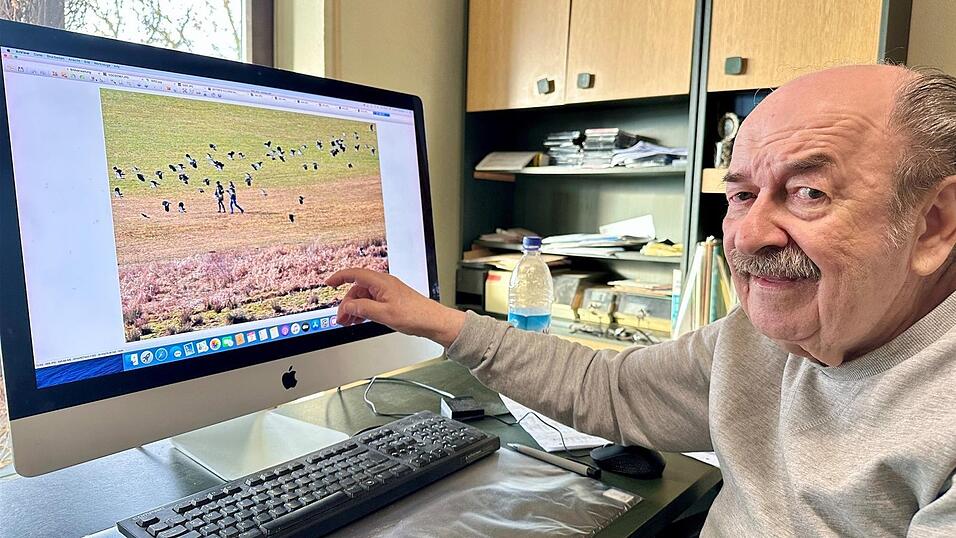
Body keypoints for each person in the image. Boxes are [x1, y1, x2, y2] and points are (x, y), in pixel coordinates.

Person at [327, 65, 956, 535]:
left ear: (934, 224)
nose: (750, 234)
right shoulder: (762, 338)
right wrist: (440, 321)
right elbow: (612, 389)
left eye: (809, 192)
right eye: (740, 195)